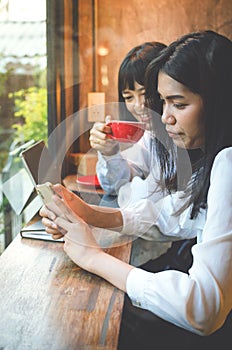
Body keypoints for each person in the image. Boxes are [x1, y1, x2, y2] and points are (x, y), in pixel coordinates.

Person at [40, 30, 232, 348]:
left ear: (219, 101)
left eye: (177, 103)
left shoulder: (226, 161)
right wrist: (87, 211)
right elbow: (174, 216)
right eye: (162, 101)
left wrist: (93, 257)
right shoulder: (205, 154)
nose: (164, 116)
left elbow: (204, 310)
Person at [90, 41, 175, 266]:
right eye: (128, 97)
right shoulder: (153, 136)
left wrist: (94, 214)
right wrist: (109, 152)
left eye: (145, 93)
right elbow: (116, 183)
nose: (138, 106)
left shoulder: (185, 139)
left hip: (173, 255)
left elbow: (157, 209)